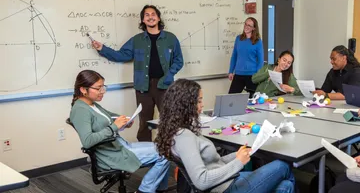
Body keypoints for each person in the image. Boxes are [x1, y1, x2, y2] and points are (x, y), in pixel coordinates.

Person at [155, 79, 295, 193]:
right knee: (283, 165)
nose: (202, 105)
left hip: (225, 181)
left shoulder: (180, 130)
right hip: (224, 188)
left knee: (286, 186)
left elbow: (212, 163)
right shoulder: (184, 137)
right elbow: (202, 181)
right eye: (198, 101)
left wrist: (237, 155)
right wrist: (238, 162)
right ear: (184, 104)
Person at [92, 5, 184, 141]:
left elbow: (178, 60)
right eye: (147, 15)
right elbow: (121, 55)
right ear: (143, 20)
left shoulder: (170, 38)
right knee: (145, 123)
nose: (150, 17)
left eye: (153, 14)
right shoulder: (137, 40)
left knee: (169, 121)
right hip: (143, 87)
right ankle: (146, 153)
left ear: (158, 18)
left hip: (165, 86)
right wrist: (102, 49)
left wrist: (169, 75)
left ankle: (170, 152)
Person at [70, 70, 170, 193]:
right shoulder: (80, 110)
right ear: (83, 90)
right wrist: (114, 127)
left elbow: (108, 116)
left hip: (119, 147)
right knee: (165, 152)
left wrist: (124, 120)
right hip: (111, 155)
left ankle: (159, 189)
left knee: (164, 148)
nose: (102, 92)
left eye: (103, 87)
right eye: (98, 88)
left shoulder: (91, 104)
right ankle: (145, 190)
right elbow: (87, 141)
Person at [228, 17, 264, 97]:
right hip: (238, 74)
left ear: (254, 28)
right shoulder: (238, 38)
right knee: (231, 98)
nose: (246, 26)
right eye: (245, 24)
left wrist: (257, 76)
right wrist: (231, 71)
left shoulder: (257, 42)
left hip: (252, 75)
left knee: (253, 100)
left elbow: (260, 60)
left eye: (249, 25)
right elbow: (234, 55)